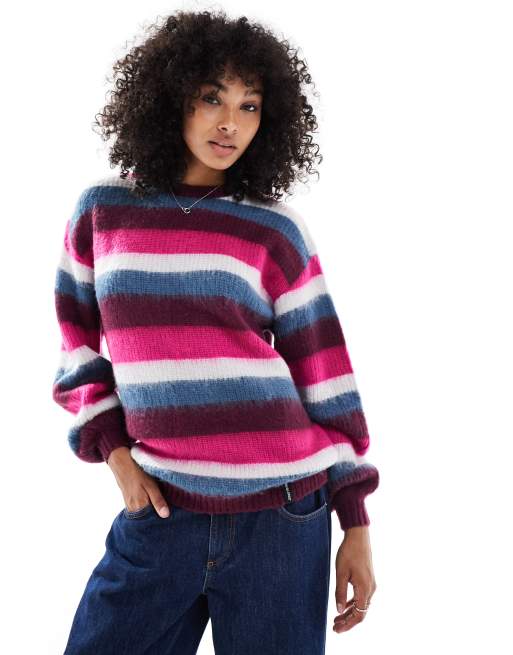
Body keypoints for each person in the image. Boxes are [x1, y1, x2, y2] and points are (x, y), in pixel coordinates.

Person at [53, 9, 380, 654]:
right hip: (161, 510)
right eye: (212, 98)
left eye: (249, 106)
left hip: (284, 515)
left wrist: (357, 524)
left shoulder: (274, 229)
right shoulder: (102, 211)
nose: (230, 122)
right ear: (171, 95)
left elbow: (326, 378)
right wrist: (117, 457)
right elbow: (77, 351)